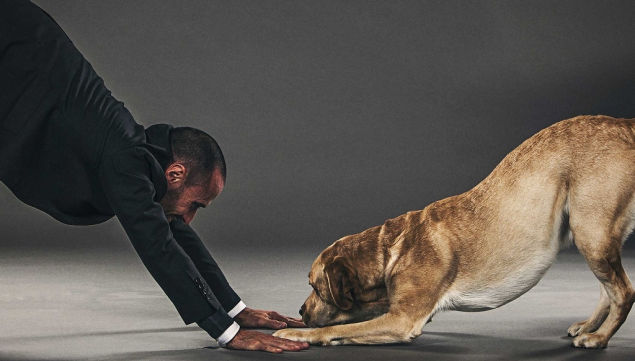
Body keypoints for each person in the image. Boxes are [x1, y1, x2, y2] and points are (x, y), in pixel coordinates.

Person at [0, 0, 309, 353]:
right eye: (196, 204)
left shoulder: (140, 158)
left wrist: (235, 310)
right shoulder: (125, 160)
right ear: (176, 173)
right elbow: (157, 245)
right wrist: (226, 333)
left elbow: (171, 232)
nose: (190, 218)